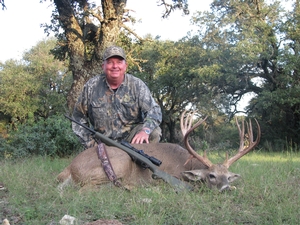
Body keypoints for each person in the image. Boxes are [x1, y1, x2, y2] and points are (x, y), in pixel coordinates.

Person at [72, 45, 162, 149]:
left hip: (132, 141)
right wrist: (90, 143)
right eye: (110, 62)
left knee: (154, 132)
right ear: (103, 66)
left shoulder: (137, 85)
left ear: (125, 66)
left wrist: (145, 131)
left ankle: (141, 164)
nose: (115, 66)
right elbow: (78, 117)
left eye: (119, 62)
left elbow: (154, 111)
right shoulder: (91, 86)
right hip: (102, 142)